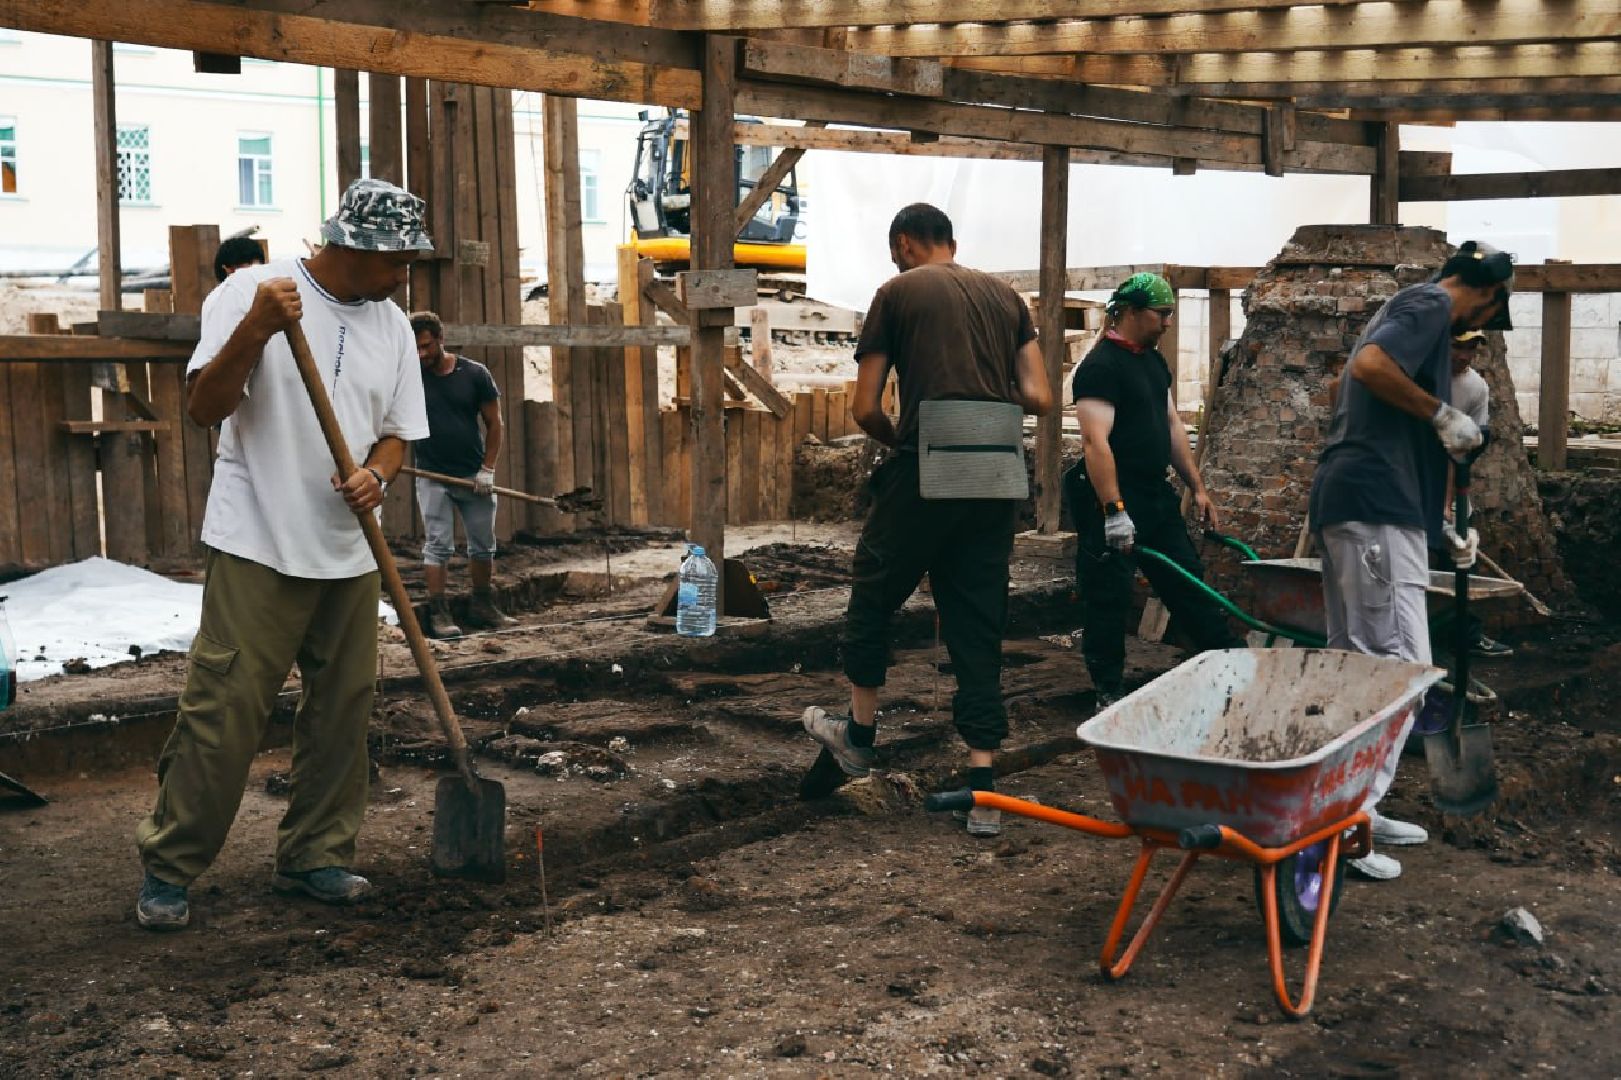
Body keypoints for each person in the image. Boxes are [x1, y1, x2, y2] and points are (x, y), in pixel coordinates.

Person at [133, 178, 433, 930]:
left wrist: (378, 474)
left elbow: (398, 434)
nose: (407, 275)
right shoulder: (250, 296)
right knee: (225, 707)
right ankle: (170, 866)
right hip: (257, 538)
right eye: (400, 259)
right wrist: (259, 331)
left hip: (349, 549)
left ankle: (315, 855)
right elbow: (205, 409)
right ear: (359, 248)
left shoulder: (394, 324)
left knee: (342, 710)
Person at [800, 203, 1053, 838]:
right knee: (977, 617)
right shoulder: (1007, 299)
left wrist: (899, 438)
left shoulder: (896, 293)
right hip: (996, 470)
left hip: (928, 459)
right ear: (952, 243)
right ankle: (985, 791)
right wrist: (987, 399)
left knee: (874, 591)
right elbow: (1043, 398)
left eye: (895, 253)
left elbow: (864, 408)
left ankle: (858, 734)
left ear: (907, 244)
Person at [1307, 240, 1512, 882]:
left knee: (1359, 665)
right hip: (1374, 505)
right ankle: (1351, 821)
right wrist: (1441, 411)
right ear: (1484, 294)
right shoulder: (1427, 303)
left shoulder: (1413, 315)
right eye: (1484, 318)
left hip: (1364, 502)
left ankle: (1354, 805)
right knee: (1401, 670)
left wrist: (1448, 527)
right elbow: (1367, 367)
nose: (1475, 334)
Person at [1066, 272, 1243, 708]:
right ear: (1128, 312)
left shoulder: (1152, 360)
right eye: (1161, 314)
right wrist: (1114, 511)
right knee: (1108, 597)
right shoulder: (1100, 368)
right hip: (1108, 497)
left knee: (1189, 583)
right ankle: (1108, 692)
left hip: (1153, 494)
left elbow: (1171, 426)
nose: (1167, 323)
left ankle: (1229, 672)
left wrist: (1196, 487)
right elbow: (1095, 443)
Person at [409, 311, 515, 638]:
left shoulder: (474, 374)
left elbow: (495, 424)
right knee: (437, 545)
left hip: (472, 475)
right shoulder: (409, 375)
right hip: (430, 475)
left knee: (483, 545)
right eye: (415, 348)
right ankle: (439, 611)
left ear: (441, 339)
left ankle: (482, 605)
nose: (421, 354)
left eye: (426, 346)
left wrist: (487, 470)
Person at [1433, 330, 1512, 659]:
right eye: (1457, 347)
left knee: (1461, 562)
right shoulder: (1422, 376)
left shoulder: (1475, 387)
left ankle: (1467, 636)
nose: (1464, 356)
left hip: (1449, 481)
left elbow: (1463, 450)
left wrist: (1448, 504)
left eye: (1470, 350)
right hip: (1408, 484)